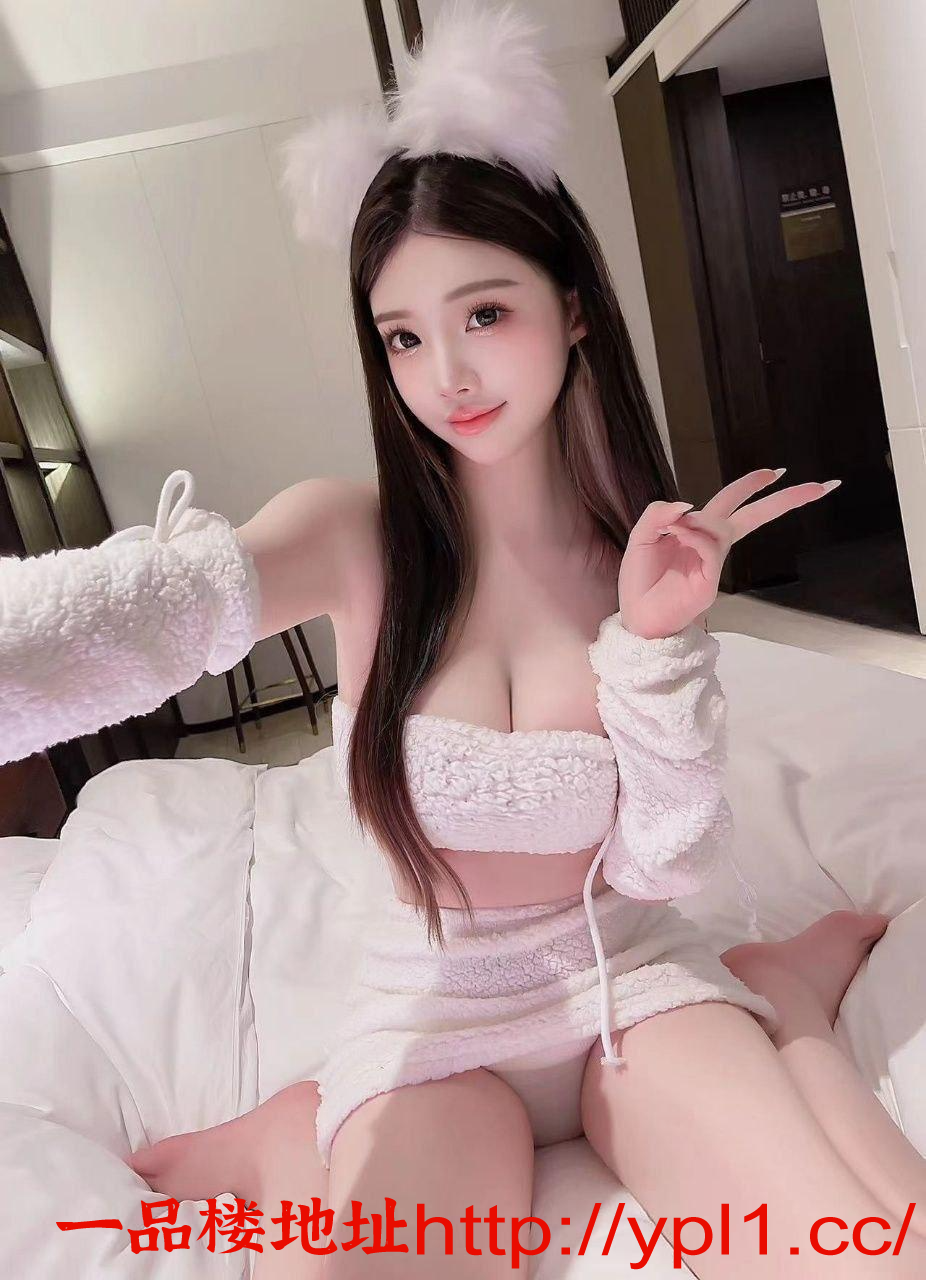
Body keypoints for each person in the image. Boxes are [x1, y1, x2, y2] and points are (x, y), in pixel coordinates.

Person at [2, 2, 924, 1275]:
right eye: (403, 335)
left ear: (572, 308)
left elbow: (664, 858)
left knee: (853, 1250)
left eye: (483, 312)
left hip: (628, 980)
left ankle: (784, 1000)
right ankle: (296, 1123)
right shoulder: (351, 535)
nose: (446, 373)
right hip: (434, 1020)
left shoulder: (632, 562)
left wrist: (656, 644)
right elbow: (137, 619)